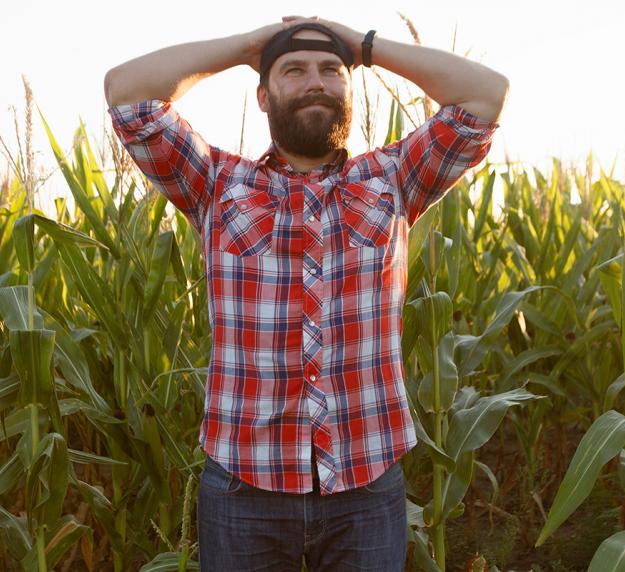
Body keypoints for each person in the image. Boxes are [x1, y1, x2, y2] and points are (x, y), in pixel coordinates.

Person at [104, 14, 507, 571]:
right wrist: (248, 46)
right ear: (264, 97)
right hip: (245, 487)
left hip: (366, 483)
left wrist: (365, 46)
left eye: (331, 71)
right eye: (293, 70)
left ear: (351, 90)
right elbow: (127, 93)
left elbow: (486, 97)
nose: (315, 81)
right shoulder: (216, 184)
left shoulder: (392, 179)